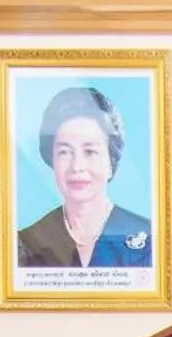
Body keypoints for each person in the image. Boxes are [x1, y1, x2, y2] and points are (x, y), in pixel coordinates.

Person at [15, 85, 153, 268]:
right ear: (52, 160)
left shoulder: (148, 238)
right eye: (65, 152)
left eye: (90, 151)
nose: (77, 166)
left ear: (111, 161)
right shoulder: (28, 241)